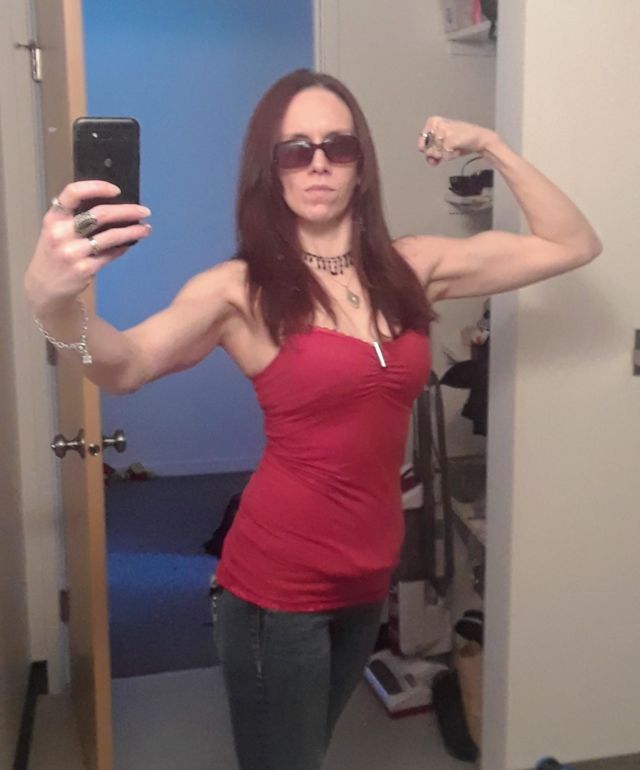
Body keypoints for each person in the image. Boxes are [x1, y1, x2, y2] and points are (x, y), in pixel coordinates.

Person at [24, 69, 601, 769]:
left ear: (361, 166)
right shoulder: (239, 290)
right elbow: (125, 365)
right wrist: (56, 307)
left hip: (369, 577)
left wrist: (492, 145)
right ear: (271, 171)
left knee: (306, 752)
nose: (319, 162)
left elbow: (571, 243)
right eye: (295, 150)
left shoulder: (413, 267)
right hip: (277, 590)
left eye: (338, 146)